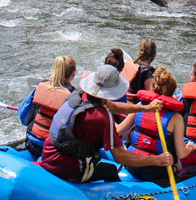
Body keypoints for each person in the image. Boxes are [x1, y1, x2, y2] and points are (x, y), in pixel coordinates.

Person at [38, 65, 172, 184]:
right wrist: (157, 160)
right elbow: (121, 157)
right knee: (111, 169)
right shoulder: (102, 117)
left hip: (48, 155)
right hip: (68, 168)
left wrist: (145, 108)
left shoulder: (79, 94)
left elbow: (112, 106)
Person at [115, 66, 194, 185]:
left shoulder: (141, 106)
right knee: (179, 165)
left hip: (133, 165)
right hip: (157, 171)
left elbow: (118, 131)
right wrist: (191, 147)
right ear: (172, 92)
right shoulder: (176, 118)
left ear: (152, 88)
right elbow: (181, 153)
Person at [18, 56, 77, 158]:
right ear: (73, 74)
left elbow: (24, 118)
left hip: (32, 143)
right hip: (52, 149)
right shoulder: (73, 97)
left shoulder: (39, 88)